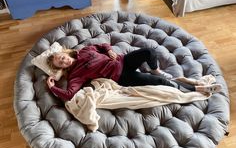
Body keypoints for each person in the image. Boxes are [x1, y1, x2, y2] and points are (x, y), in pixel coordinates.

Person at [46, 43, 222, 101]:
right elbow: (69, 94)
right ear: (61, 68)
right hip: (122, 76)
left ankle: (156, 70)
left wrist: (109, 50)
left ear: (65, 52)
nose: (63, 60)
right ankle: (198, 90)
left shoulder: (83, 50)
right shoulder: (76, 74)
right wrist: (52, 87)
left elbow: (101, 45)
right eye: (60, 63)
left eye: (61, 57)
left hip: (123, 60)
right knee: (162, 84)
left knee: (149, 52)